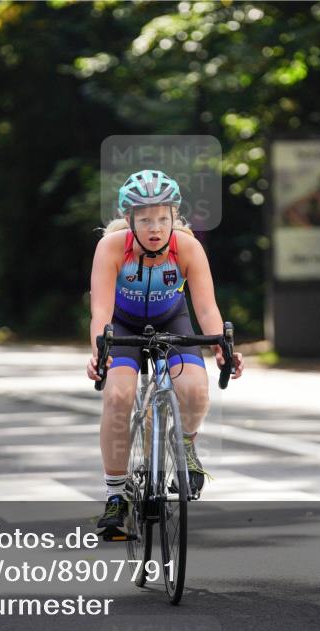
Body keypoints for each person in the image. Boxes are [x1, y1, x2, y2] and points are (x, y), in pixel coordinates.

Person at [86, 169, 244, 537]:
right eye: (145, 220)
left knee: (195, 389)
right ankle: (116, 496)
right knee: (118, 396)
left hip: (172, 320)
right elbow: (101, 311)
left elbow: (206, 308)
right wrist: (100, 351)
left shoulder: (187, 248)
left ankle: (185, 444)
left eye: (162, 218)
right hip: (123, 326)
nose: (155, 228)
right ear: (130, 221)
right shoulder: (111, 248)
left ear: (174, 217)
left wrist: (222, 347)